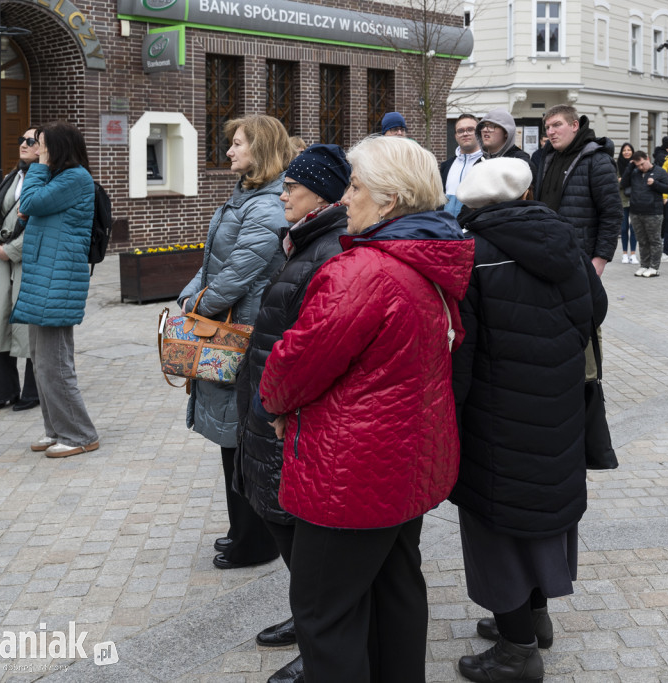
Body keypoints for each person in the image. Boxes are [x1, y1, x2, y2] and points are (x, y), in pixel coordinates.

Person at [257, 135, 474, 683]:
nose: (345, 198)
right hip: (405, 462)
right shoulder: (424, 257)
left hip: (351, 473)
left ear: (390, 201)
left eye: (355, 187)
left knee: (323, 613)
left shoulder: (365, 271)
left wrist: (275, 403)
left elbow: (295, 363)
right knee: (395, 590)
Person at [450, 158, 599, 682]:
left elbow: (460, 355)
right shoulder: (561, 238)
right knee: (540, 514)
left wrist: (449, 416)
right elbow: (593, 310)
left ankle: (517, 650)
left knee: (497, 524)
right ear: (527, 192)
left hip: (497, 413)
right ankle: (535, 618)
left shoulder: (473, 253)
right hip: (556, 404)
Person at [233, 144, 351, 683]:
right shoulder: (303, 239)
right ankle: (307, 622)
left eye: (290, 187)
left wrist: (278, 403)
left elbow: (312, 348)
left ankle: (318, 640)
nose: (281, 194)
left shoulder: (327, 250)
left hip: (290, 415)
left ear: (321, 196)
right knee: (282, 524)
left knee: (302, 536)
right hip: (268, 404)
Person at [177, 115, 290, 569]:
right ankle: (241, 531)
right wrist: (190, 295)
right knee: (233, 440)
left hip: (242, 333)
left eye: (238, 144)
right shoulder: (247, 195)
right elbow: (213, 263)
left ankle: (255, 541)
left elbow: (239, 274)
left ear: (259, 149)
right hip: (229, 329)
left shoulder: (266, 206)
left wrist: (197, 308)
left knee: (243, 440)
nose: (229, 151)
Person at [11, 121, 98, 457]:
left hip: (57, 279)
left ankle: (80, 435)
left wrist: (40, 167)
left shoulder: (75, 178)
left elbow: (30, 203)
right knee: (42, 362)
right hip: (44, 277)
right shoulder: (59, 177)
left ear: (57, 147)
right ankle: (56, 429)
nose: (34, 148)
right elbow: (28, 209)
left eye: (40, 143)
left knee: (56, 363)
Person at [0, 130, 41, 412]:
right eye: (21, 140)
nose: (23, 145)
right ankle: (3, 392)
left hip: (29, 263)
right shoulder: (11, 178)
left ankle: (32, 392)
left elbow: (41, 223)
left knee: (28, 327)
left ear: (45, 148)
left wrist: (12, 250)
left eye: (30, 141)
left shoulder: (48, 180)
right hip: (1, 262)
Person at [532, 104, 621, 277]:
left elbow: (612, 214)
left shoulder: (597, 160)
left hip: (580, 258)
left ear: (574, 125)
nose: (550, 132)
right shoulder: (546, 158)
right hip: (545, 253)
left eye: (557, 125)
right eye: (548, 127)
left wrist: (600, 259)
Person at [622, 150, 668, 277]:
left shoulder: (660, 171)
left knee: (654, 240)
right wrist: (630, 166)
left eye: (642, 164)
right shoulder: (635, 172)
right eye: (638, 165)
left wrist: (655, 184)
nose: (641, 167)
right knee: (642, 241)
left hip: (653, 212)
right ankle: (644, 265)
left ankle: (654, 267)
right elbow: (623, 184)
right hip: (636, 212)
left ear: (648, 159)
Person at [440, 114, 483, 216]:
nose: (465, 133)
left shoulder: (487, 163)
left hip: (473, 228)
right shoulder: (446, 166)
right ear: (455, 136)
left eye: (470, 129)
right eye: (460, 131)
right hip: (446, 227)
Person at [616, 142, 638, 265]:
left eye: (629, 150)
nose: (627, 152)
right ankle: (625, 254)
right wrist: (623, 181)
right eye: (624, 150)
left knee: (634, 228)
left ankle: (633, 254)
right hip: (622, 200)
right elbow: (616, 182)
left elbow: (639, 181)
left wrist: (623, 181)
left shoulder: (636, 164)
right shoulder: (617, 165)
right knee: (623, 228)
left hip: (635, 199)